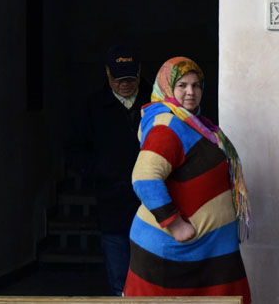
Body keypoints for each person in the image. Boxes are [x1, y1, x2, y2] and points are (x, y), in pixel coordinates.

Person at [123, 56, 252, 302]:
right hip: (175, 255)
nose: (190, 92)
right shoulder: (167, 124)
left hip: (201, 254)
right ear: (167, 88)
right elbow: (144, 177)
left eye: (196, 85)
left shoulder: (194, 123)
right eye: (182, 85)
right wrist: (176, 225)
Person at [83, 44, 152, 296]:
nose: (125, 84)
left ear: (140, 71)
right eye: (118, 78)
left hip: (153, 206)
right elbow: (76, 150)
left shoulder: (155, 102)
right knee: (119, 282)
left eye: (131, 78)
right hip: (113, 205)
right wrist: (102, 172)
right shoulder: (93, 106)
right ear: (107, 73)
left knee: (152, 277)